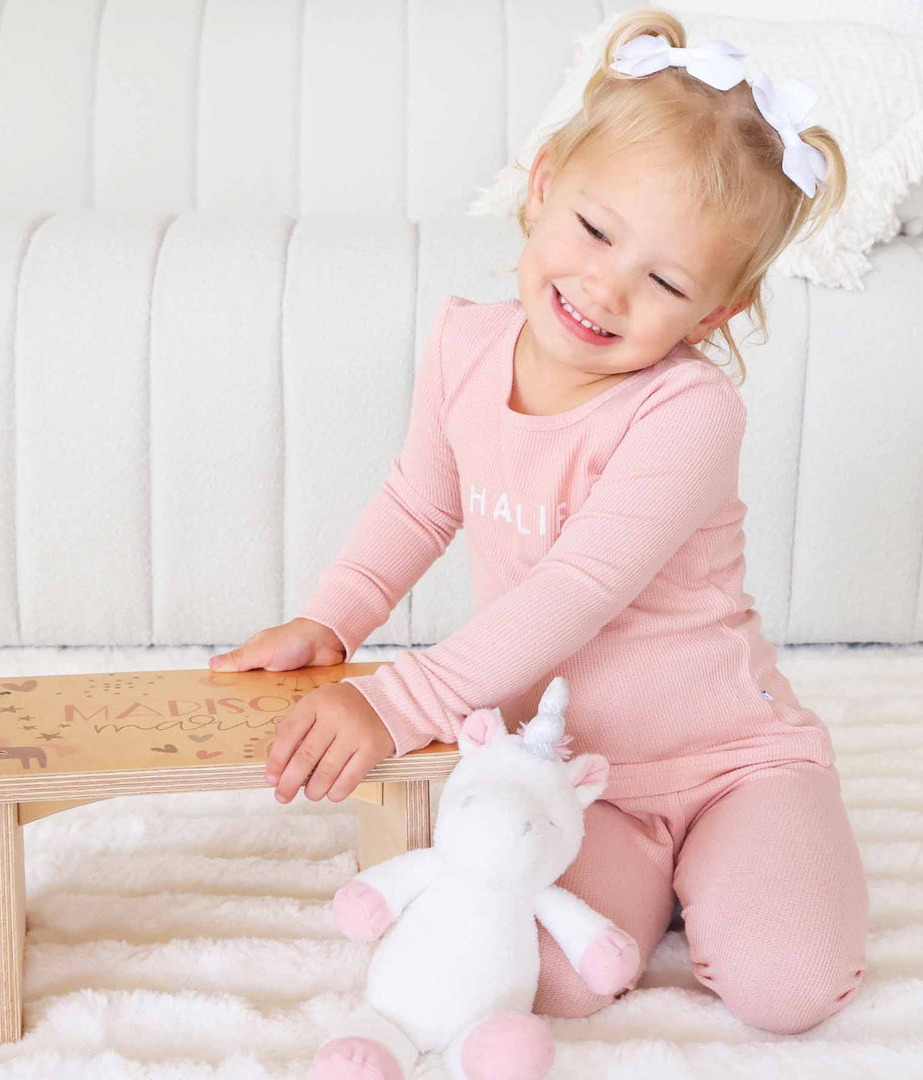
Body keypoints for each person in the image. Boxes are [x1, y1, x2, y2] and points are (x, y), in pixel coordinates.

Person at [210, 7, 868, 1039]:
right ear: (545, 177)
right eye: (598, 231)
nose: (604, 287)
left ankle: (739, 860)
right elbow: (420, 500)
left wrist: (393, 706)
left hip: (729, 757)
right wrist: (333, 622)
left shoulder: (689, 414)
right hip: (567, 770)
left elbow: (575, 590)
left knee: (789, 988)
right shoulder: (462, 347)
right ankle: (662, 881)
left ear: (713, 317)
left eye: (663, 281)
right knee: (534, 984)